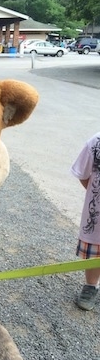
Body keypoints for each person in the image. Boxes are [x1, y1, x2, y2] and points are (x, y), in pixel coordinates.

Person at [71, 131, 100, 310]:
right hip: (97, 215)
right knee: (97, 251)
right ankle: (90, 286)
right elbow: (83, 174)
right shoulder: (96, 143)